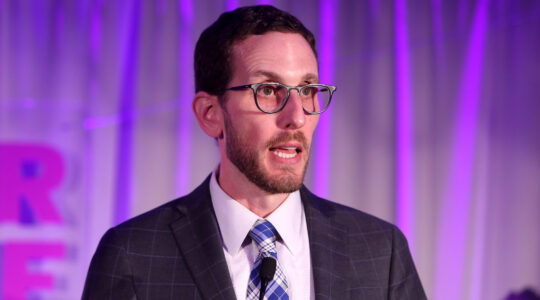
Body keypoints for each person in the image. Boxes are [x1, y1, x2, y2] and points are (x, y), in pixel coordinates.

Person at [83, 5, 426, 300]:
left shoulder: (380, 252)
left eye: (307, 90)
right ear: (210, 114)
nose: (296, 116)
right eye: (268, 90)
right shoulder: (133, 254)